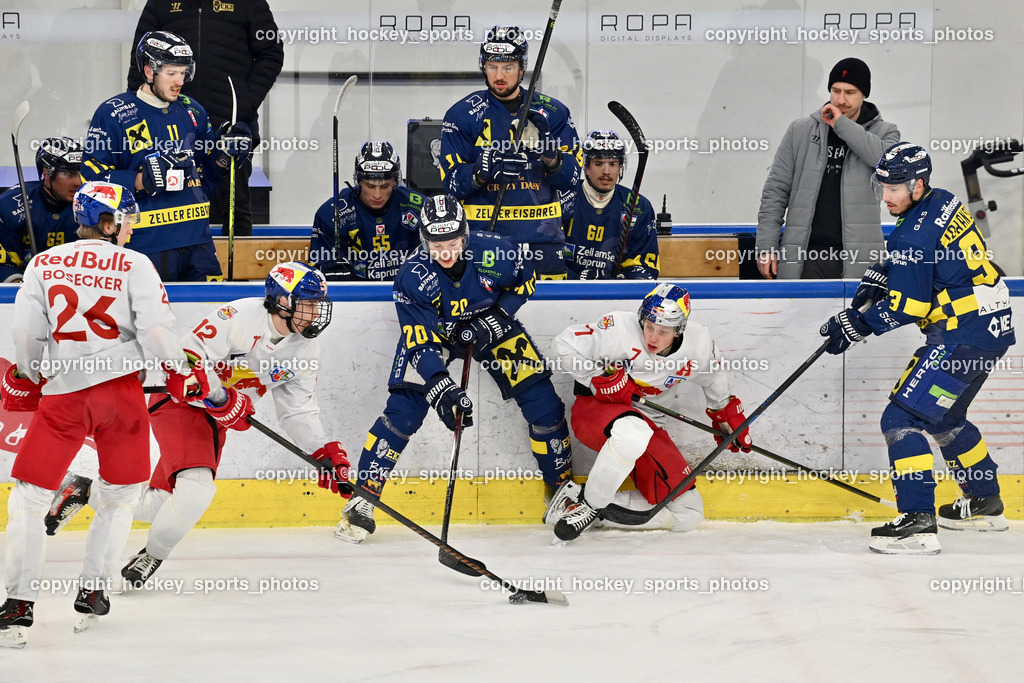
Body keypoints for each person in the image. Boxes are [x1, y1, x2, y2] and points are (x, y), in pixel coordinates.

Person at [44, 261, 351, 587]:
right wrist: (220, 397)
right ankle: (152, 555)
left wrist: (320, 450)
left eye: (318, 304)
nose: (315, 313)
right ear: (282, 302)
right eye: (308, 304)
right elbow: (188, 357)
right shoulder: (240, 317)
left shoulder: (306, 348)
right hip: (180, 402)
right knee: (196, 491)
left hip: (216, 420)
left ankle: (83, 490)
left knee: (159, 505)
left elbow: (297, 409)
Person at [0, 181, 202, 647]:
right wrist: (177, 370)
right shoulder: (136, 264)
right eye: (125, 220)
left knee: (28, 500)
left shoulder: (42, 263)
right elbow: (155, 330)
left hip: (63, 397)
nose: (130, 229)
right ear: (108, 224)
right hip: (121, 399)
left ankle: (19, 602)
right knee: (121, 495)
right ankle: (94, 590)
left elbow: (27, 336)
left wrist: (30, 375)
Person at [335, 194, 572, 543]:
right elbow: (418, 340)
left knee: (543, 402)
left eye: (452, 243)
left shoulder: (496, 251)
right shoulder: (412, 276)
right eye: (436, 245)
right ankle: (364, 496)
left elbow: (525, 281)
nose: (445, 253)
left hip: (491, 325)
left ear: (465, 236)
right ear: (424, 240)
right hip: (437, 336)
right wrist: (441, 386)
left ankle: (562, 492)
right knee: (403, 412)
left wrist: (495, 316)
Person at [819, 142, 1015, 555]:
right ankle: (984, 504)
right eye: (881, 187)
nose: (886, 197)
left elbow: (909, 307)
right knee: (946, 418)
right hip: (991, 331)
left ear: (917, 184)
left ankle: (918, 522)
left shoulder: (912, 232)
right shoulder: (942, 201)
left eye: (894, 189)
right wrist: (885, 270)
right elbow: (928, 259)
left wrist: (855, 324)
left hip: (961, 335)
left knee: (901, 416)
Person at [544, 283, 753, 541]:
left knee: (689, 513)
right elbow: (564, 343)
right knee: (633, 432)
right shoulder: (617, 327)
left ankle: (579, 504)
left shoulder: (699, 344)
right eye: (649, 326)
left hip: (647, 424)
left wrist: (726, 417)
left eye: (663, 331)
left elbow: (714, 377)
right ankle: (590, 506)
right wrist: (596, 377)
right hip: (596, 411)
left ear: (679, 330)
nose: (652, 337)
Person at [82, 30, 252, 282]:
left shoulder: (193, 110)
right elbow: (91, 179)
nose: (179, 81)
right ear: (149, 71)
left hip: (197, 242)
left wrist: (225, 154)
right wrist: (141, 180)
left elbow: (205, 179)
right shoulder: (113, 113)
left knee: (200, 320)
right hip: (146, 245)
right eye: (171, 73)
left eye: (183, 72)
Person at [126, 0, 284, 237]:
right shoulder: (161, 3)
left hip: (231, 129)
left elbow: (271, 54)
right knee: (171, 209)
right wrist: (142, 115)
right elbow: (141, 63)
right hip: (172, 127)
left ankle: (235, 274)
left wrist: (242, 103)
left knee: (234, 213)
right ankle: (177, 272)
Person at [440, 25, 581, 279]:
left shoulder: (554, 112)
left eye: (508, 66)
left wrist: (552, 157)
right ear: (483, 65)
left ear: (522, 67)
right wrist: (481, 172)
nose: (499, 74)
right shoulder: (461, 114)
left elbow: (572, 180)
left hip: (542, 244)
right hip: (484, 241)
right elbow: (451, 183)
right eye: (492, 66)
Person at [756, 57, 901, 279]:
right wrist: (766, 246)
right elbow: (775, 191)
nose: (841, 99)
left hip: (859, 259)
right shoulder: (799, 130)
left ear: (864, 94)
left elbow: (884, 161)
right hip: (805, 257)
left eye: (850, 92)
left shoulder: (885, 133)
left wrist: (840, 124)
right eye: (835, 91)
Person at [309, 141, 424, 280]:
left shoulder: (418, 207)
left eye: (385, 186)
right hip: (353, 296)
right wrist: (330, 269)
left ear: (395, 183)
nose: (377, 195)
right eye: (370, 186)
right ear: (359, 182)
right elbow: (319, 268)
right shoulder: (332, 214)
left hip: (407, 291)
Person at [560, 130, 659, 279]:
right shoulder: (563, 198)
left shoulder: (638, 206)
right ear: (587, 167)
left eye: (613, 164)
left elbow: (645, 268)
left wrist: (619, 280)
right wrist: (579, 277)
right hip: (567, 293)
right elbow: (547, 259)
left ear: (620, 167)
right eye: (598, 163)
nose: (606, 171)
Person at [0, 137, 83, 282]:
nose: (78, 182)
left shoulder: (94, 203)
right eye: (69, 174)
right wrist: (23, 288)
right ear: (46, 174)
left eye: (81, 173)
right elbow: (3, 263)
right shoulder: (10, 206)